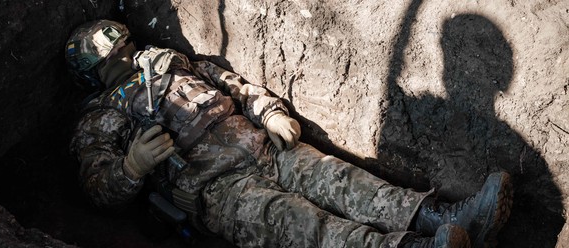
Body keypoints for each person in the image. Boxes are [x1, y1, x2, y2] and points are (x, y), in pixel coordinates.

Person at [66, 19, 513, 248]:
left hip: (262, 146)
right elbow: (98, 189)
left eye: (127, 47)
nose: (130, 57)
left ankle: (448, 219)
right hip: (219, 190)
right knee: (307, 227)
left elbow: (229, 83)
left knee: (343, 179)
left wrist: (269, 111)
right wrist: (131, 167)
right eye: (115, 56)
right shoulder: (100, 117)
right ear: (95, 72)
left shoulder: (168, 61)